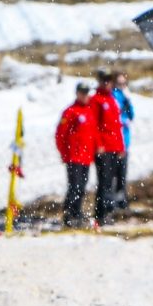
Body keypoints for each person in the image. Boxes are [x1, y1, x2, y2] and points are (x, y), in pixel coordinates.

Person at [54, 81, 101, 228]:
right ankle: (69, 214)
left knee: (82, 186)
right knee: (74, 186)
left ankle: (77, 212)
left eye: (87, 93)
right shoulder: (70, 112)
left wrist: (97, 147)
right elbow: (60, 134)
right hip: (74, 156)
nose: (85, 96)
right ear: (77, 93)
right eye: (83, 93)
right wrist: (64, 153)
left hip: (86, 157)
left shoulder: (89, 111)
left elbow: (93, 133)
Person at [90, 70, 129, 228]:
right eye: (104, 81)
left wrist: (121, 147)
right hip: (103, 148)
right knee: (104, 182)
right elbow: (94, 125)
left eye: (109, 81)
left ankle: (109, 211)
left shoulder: (112, 100)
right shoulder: (96, 100)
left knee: (113, 181)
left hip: (114, 147)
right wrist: (98, 144)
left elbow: (117, 126)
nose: (107, 84)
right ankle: (101, 214)